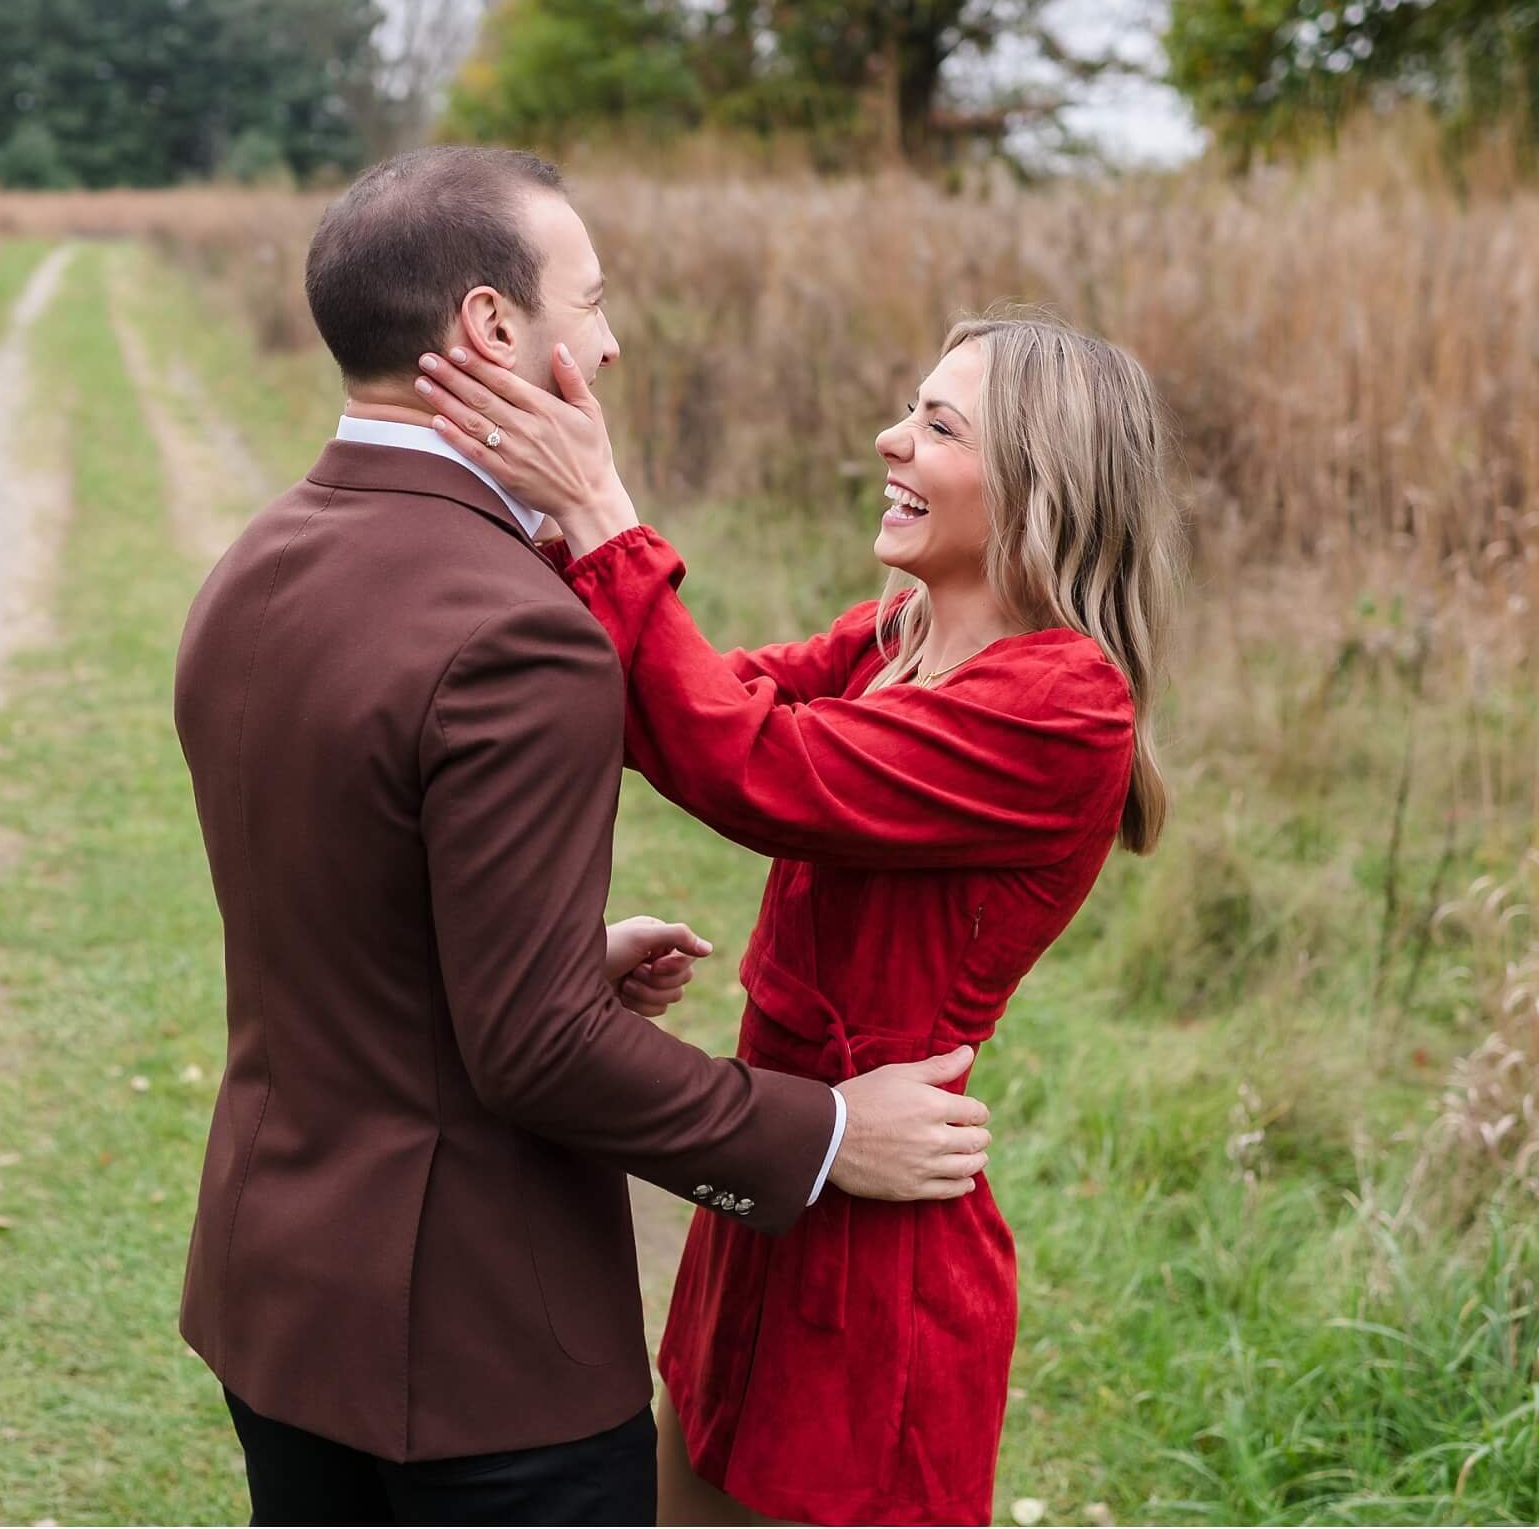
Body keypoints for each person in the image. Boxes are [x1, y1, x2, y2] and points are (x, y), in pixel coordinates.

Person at [172, 145, 998, 1526]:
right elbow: (537, 1046)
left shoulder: (256, 561)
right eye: (591, 300)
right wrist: (826, 1133)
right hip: (474, 1357)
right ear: (494, 327)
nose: (609, 344)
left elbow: (336, 907)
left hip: (272, 1293)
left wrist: (545, 948)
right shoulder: (521, 631)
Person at [409, 305, 1183, 1525]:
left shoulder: (1061, 704)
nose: (889, 439)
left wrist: (610, 517)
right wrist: (551, 522)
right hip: (775, 1181)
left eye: (936, 425)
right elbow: (681, 700)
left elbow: (750, 768)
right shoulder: (896, 638)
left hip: (880, 1260)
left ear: (1040, 484)